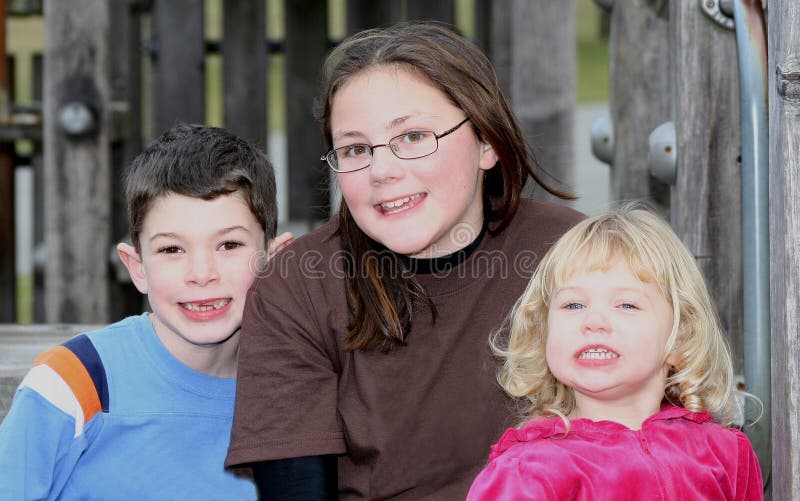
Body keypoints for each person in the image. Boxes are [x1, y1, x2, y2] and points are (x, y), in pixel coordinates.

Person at [226, 22, 583, 499]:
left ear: (487, 142)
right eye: (355, 148)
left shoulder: (570, 254)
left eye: (413, 136)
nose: (382, 170)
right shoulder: (297, 289)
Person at [0, 123, 292, 500]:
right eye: (172, 249)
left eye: (229, 244)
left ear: (275, 259)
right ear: (137, 267)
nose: (201, 274)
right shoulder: (79, 383)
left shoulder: (299, 392)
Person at [466, 206, 764, 500]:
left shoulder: (725, 454)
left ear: (679, 339)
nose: (594, 321)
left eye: (626, 305)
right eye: (573, 305)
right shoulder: (528, 473)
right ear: (543, 332)